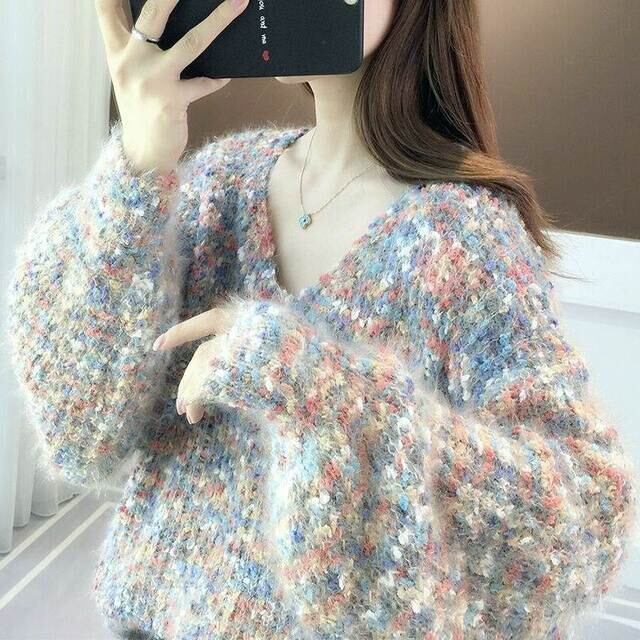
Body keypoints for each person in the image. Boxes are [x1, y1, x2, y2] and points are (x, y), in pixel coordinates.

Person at [5, 0, 637, 638]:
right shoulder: (220, 183)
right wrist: (137, 170)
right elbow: (79, 436)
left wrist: (318, 389)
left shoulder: (461, 239)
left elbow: (584, 523)